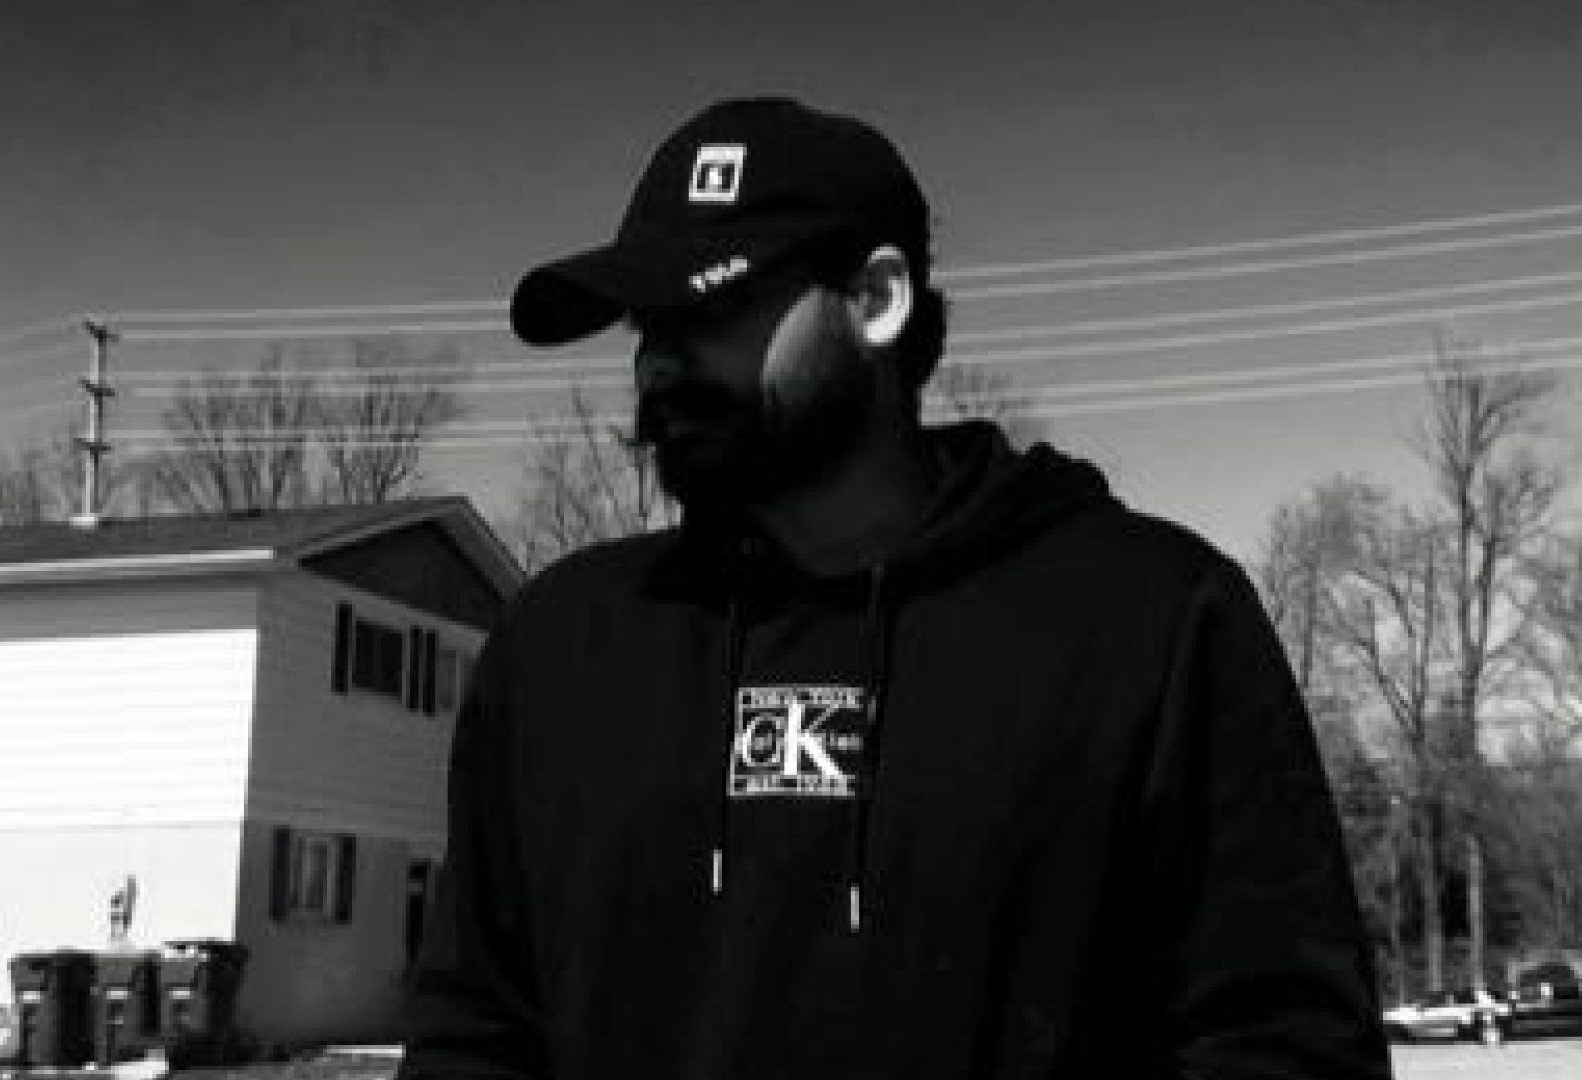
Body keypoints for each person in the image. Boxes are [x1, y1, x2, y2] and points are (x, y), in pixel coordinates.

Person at [400, 96, 1392, 1080]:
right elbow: (475, 1036)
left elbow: (1285, 1043)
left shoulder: (1150, 623)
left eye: (712, 306)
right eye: (647, 323)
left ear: (877, 298)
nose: (658, 362)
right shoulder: (563, 650)